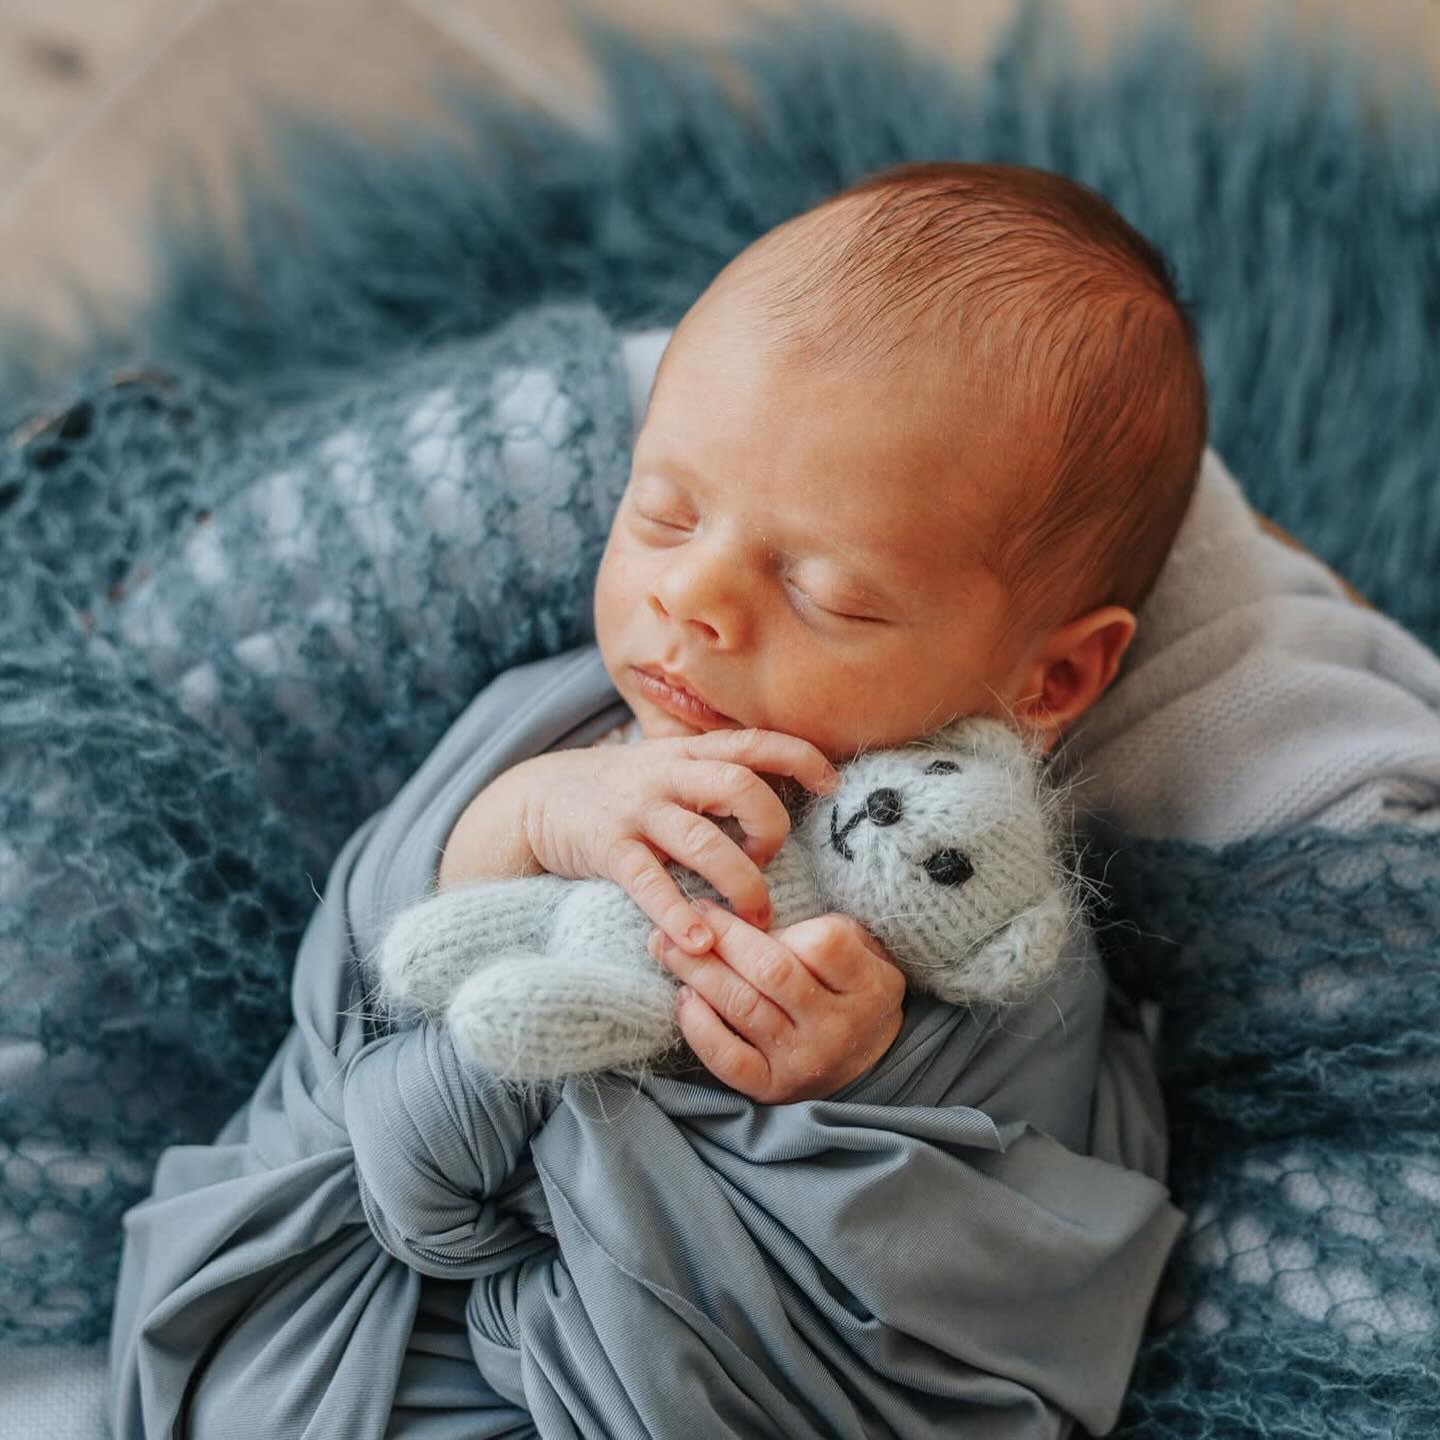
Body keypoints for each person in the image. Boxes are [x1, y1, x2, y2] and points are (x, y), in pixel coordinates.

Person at [434, 160, 1207, 1104]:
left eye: (829, 595)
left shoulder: (981, 912)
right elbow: (367, 942)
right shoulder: (559, 720)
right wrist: (531, 814)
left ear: (1050, 678)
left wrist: (858, 1079)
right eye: (664, 514)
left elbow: (1035, 1205)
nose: (687, 594)